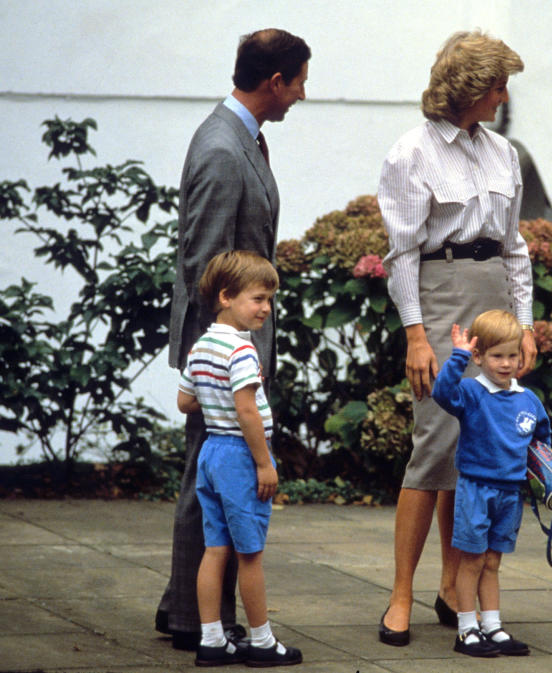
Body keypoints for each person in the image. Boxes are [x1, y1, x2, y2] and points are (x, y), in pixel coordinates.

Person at [376, 30, 537, 646]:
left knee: (478, 444)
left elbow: (515, 246)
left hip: (493, 296)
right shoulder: (411, 152)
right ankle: (399, 596)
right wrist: (416, 336)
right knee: (435, 442)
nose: (502, 96)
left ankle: (452, 588)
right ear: (471, 89)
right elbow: (401, 255)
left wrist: (521, 324)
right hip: (441, 301)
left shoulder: (503, 151)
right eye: (498, 85)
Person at [157, 28, 311, 651]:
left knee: (208, 480)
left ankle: (186, 609)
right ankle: (200, 623)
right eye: (299, 80)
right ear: (274, 81)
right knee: (211, 483)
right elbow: (208, 266)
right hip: (220, 352)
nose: (303, 93)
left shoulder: (236, 137)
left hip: (224, 349)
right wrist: (219, 359)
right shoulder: (225, 149)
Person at [177, 250, 301, 667]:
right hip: (240, 457)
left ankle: (212, 639)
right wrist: (264, 463)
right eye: (259, 299)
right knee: (250, 553)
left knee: (215, 549)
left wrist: (214, 401)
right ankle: (262, 642)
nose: (266, 308)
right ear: (227, 296)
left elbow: (184, 401)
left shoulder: (200, 346)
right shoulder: (242, 351)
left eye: (269, 299)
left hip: (211, 453)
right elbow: (247, 410)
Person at [432, 310, 550, 657]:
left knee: (493, 562)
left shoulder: (528, 399)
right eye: (497, 356)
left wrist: (546, 475)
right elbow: (442, 393)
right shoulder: (470, 391)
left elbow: (541, 443)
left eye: (512, 355)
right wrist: (458, 357)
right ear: (479, 356)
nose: (506, 363)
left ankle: (492, 626)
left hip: (510, 494)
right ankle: (466, 629)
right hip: (475, 490)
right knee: (470, 560)